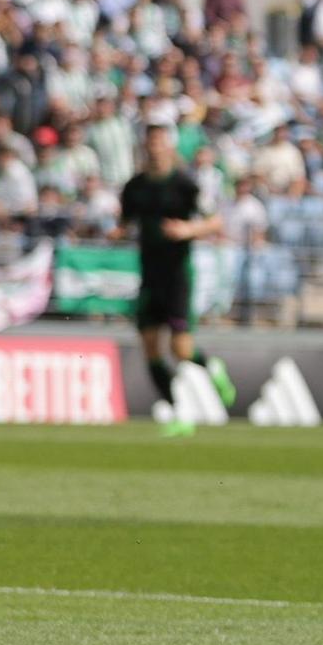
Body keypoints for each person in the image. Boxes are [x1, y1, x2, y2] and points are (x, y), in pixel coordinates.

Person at [116, 124, 234, 437]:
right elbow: (125, 222)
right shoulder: (134, 187)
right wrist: (116, 232)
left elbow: (216, 220)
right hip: (149, 274)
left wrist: (188, 230)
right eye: (150, 141)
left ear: (169, 147)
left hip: (178, 275)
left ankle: (212, 367)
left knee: (181, 349)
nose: (155, 148)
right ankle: (178, 412)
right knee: (151, 348)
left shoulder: (185, 185)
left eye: (160, 142)